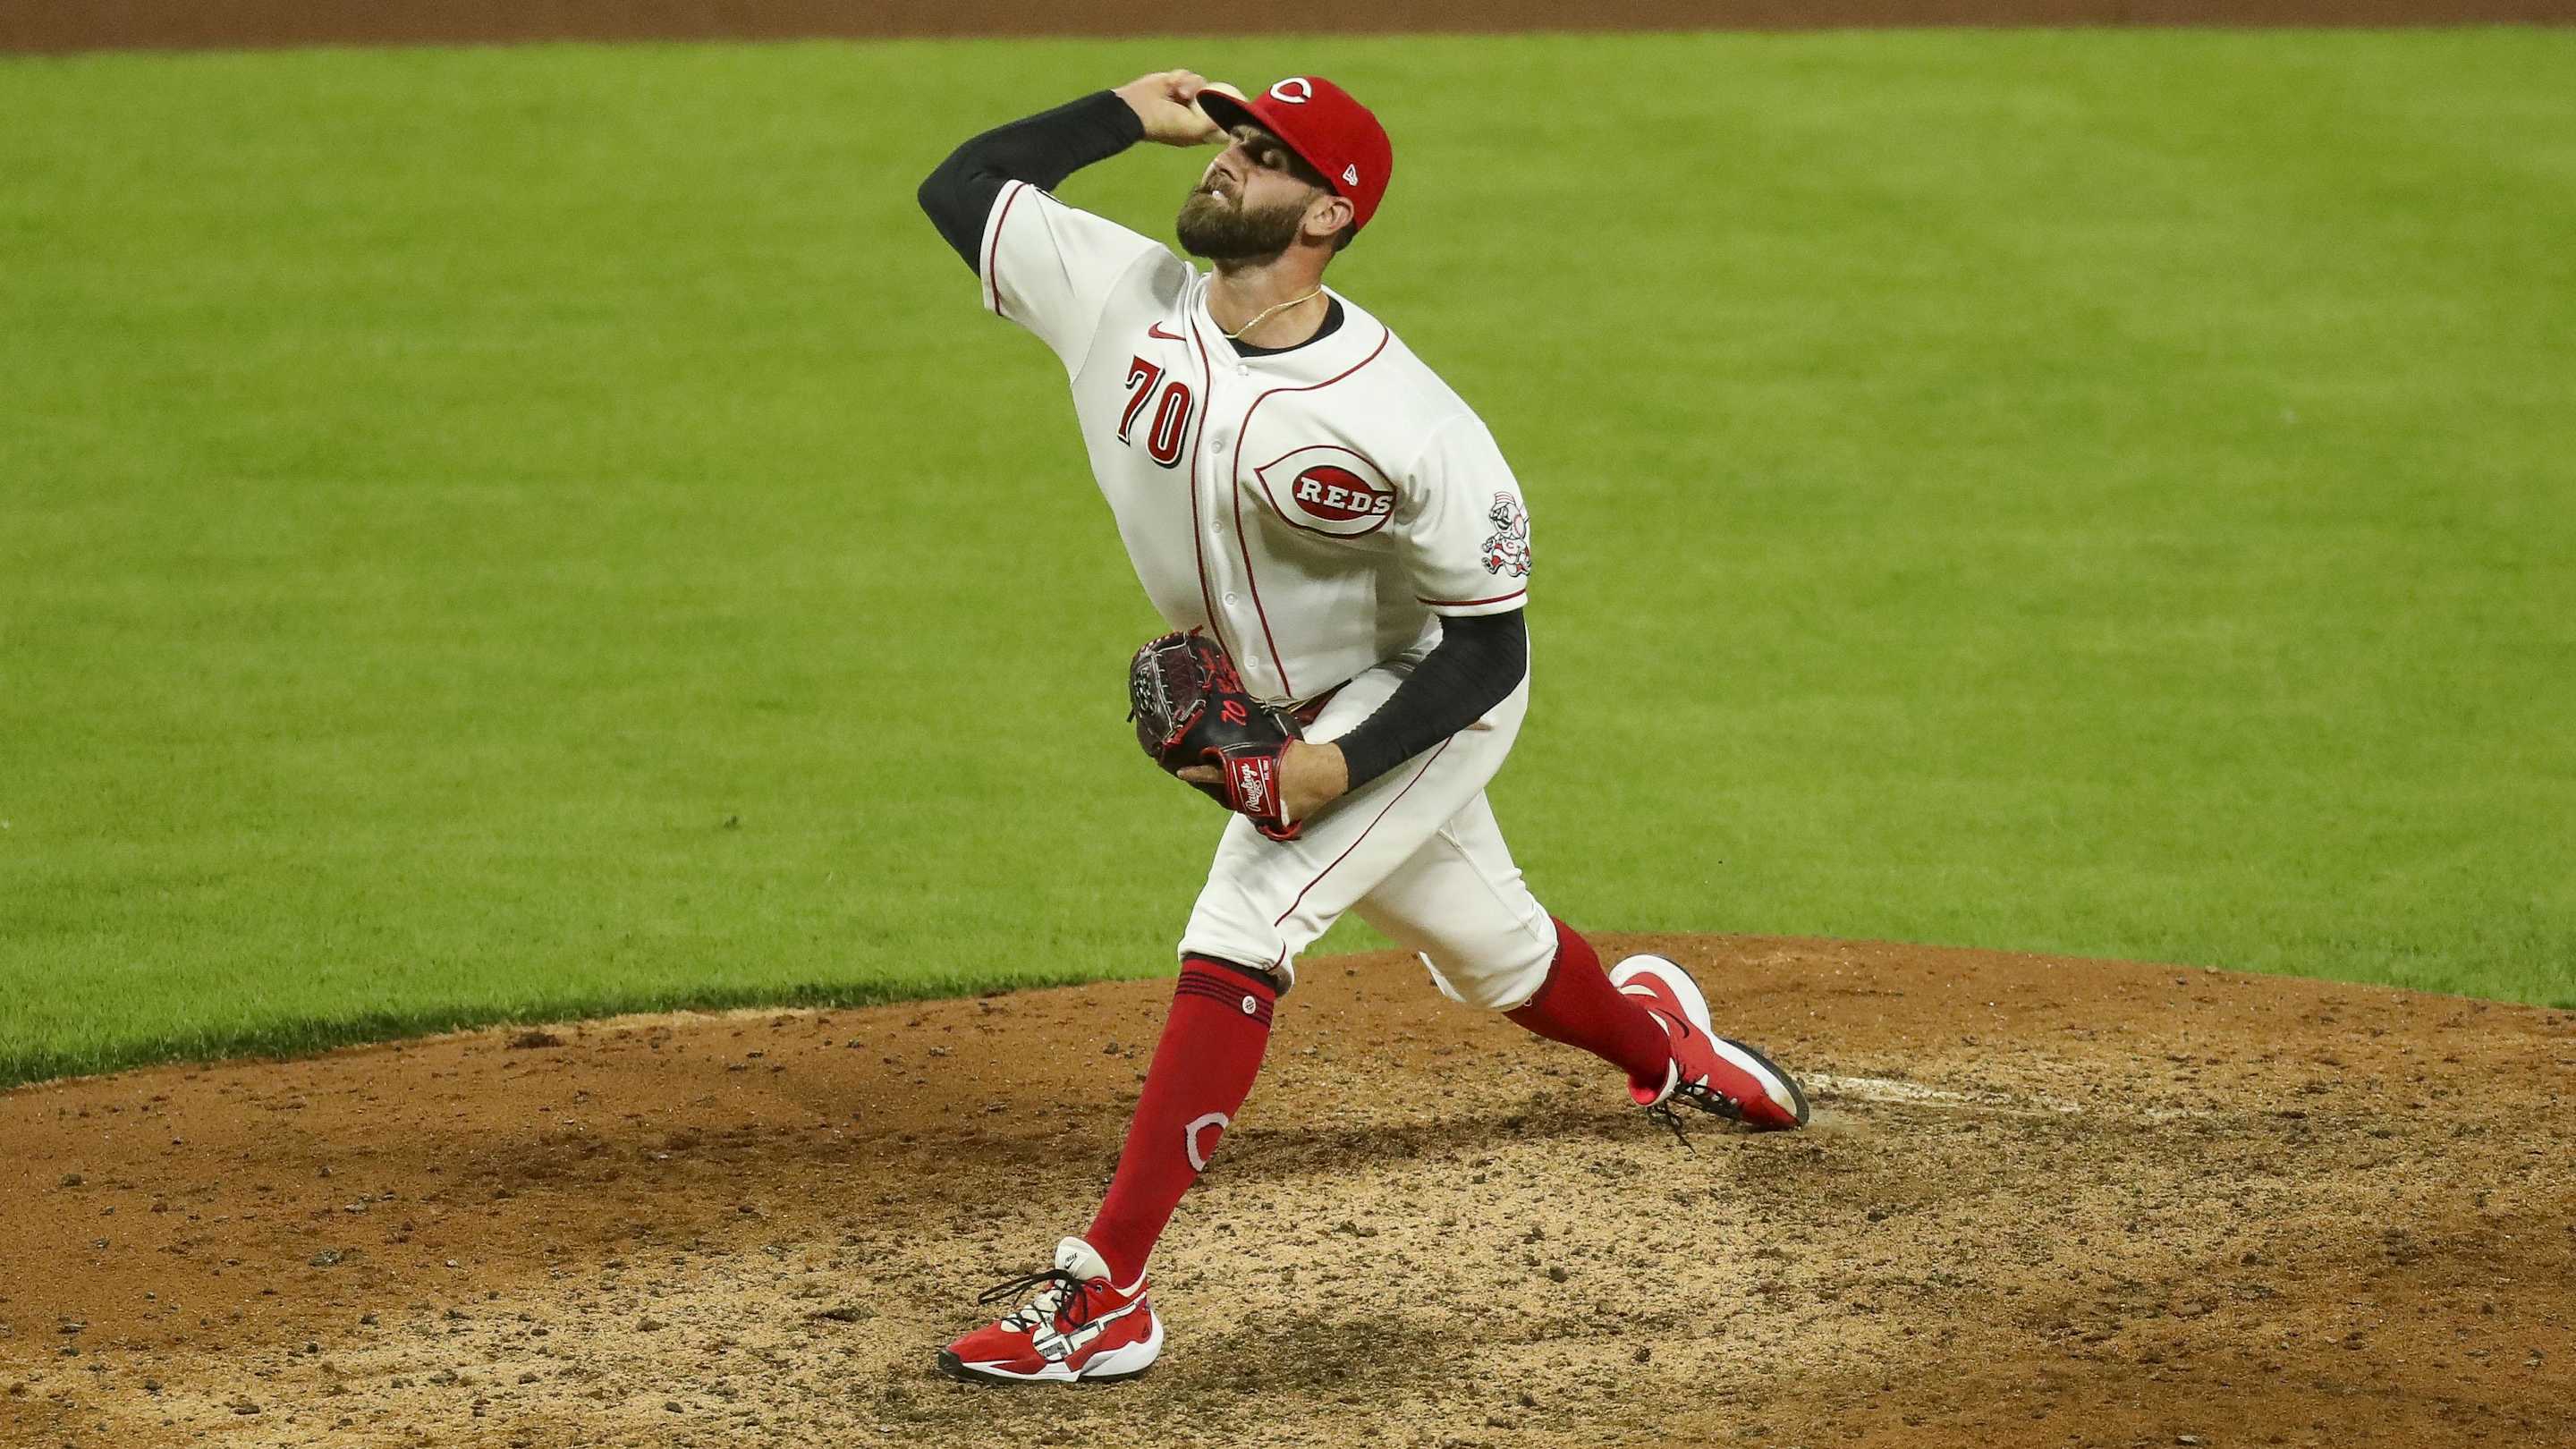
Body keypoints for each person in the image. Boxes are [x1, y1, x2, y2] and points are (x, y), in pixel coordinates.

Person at [913, 69, 1809, 1386]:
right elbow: (960, 189)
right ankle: (1662, 1046)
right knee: (1496, 954)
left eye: (1270, 156)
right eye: (1236, 137)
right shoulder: (1119, 295)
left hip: (1418, 699)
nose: (1230, 159)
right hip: (1282, 707)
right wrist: (1123, 110)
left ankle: (1105, 1296)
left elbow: (1491, 645)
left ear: (1330, 213)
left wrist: (1338, 761)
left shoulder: (1410, 421)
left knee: (1244, 920)